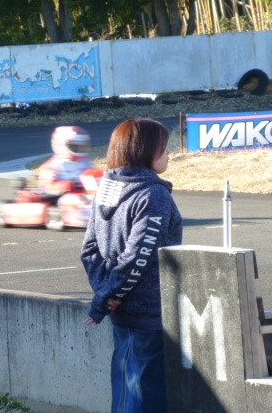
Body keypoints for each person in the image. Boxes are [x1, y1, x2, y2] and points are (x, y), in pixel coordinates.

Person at [80, 118, 183, 413]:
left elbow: (89, 251)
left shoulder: (107, 188)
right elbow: (138, 258)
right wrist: (106, 298)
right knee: (145, 395)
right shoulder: (153, 195)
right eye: (164, 147)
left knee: (125, 388)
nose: (169, 153)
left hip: (121, 311)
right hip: (149, 311)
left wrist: (107, 295)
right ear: (145, 150)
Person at [37, 125, 94, 196]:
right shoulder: (53, 165)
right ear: (61, 145)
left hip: (86, 196)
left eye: (82, 146)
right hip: (62, 198)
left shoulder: (86, 162)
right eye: (75, 146)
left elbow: (94, 179)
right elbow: (45, 186)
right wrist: (67, 186)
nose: (79, 149)